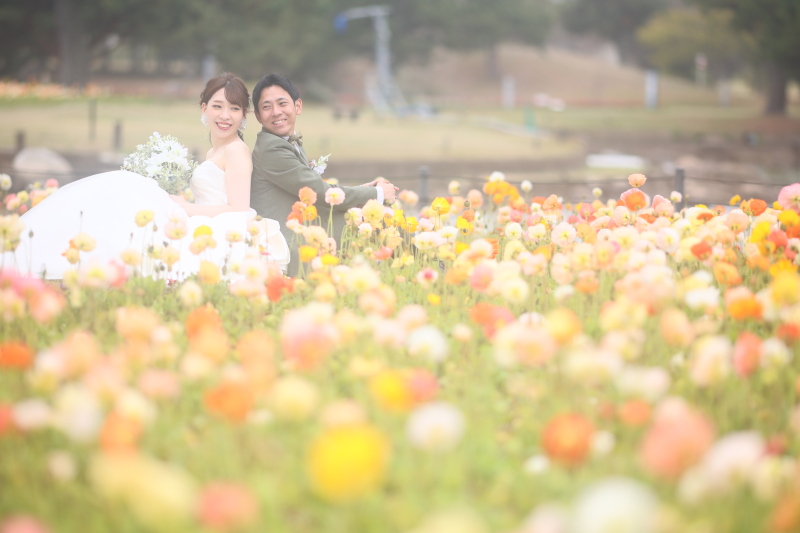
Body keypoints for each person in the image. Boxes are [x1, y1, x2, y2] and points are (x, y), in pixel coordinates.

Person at [5, 73, 289, 280]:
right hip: (196, 218)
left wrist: (185, 207)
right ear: (204, 109)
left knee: (127, 196)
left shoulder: (236, 151)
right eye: (217, 106)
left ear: (244, 116)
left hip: (217, 230)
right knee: (122, 189)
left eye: (234, 108)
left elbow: (238, 209)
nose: (225, 115)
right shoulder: (217, 150)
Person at [250, 73, 397, 277]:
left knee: (377, 216)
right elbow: (318, 191)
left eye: (282, 103)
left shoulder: (283, 142)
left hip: (305, 224)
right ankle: (419, 271)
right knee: (381, 217)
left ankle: (404, 272)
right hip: (291, 240)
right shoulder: (271, 149)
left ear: (297, 106)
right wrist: (377, 195)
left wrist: (367, 191)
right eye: (266, 107)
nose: (276, 112)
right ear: (257, 115)